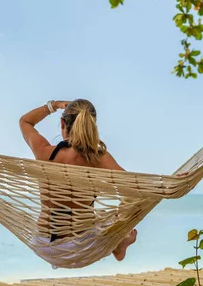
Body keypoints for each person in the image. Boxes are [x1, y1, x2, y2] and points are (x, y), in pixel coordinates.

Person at [19, 99, 137, 268]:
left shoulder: (44, 152)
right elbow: (135, 188)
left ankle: (118, 243)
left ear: (62, 123)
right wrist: (169, 184)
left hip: (45, 246)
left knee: (105, 218)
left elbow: (25, 121)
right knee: (109, 217)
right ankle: (118, 244)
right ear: (91, 125)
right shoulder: (98, 158)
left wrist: (54, 106)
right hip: (83, 248)